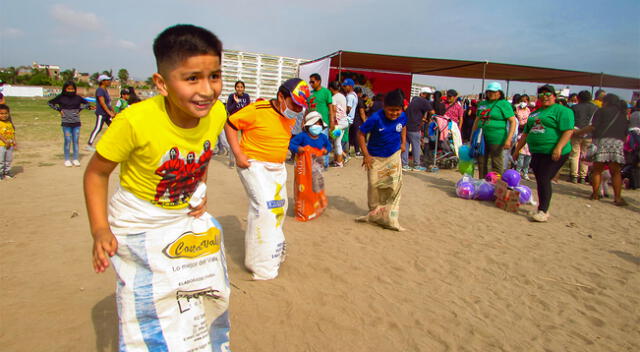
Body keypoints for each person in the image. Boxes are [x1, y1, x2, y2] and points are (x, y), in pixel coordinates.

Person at [83, 24, 231, 350]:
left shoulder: (217, 112)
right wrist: (99, 229)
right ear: (161, 83)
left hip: (184, 215)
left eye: (215, 76)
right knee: (149, 310)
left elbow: (202, 155)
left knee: (205, 295)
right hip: (140, 219)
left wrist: (199, 191)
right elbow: (96, 173)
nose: (207, 90)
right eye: (192, 78)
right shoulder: (134, 122)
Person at [224, 77, 310, 280]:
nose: (297, 111)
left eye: (301, 108)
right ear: (281, 97)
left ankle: (273, 249)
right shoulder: (257, 110)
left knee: (278, 208)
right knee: (263, 207)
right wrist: (238, 154)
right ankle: (259, 264)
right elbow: (230, 125)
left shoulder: (290, 115)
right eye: (294, 105)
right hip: (253, 165)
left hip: (277, 168)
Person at [513, 84, 574, 222]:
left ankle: (543, 211)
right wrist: (517, 150)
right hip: (537, 151)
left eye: (548, 95)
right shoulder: (535, 113)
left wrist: (558, 148)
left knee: (545, 178)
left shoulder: (562, 111)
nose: (545, 97)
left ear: (554, 96)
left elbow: (568, 131)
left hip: (555, 151)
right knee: (540, 179)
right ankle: (541, 208)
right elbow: (526, 133)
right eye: (541, 95)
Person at [356, 89, 407, 231]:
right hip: (375, 157)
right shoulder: (375, 118)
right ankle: (375, 213)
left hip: (394, 155)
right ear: (384, 107)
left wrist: (403, 143)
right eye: (391, 110)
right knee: (374, 185)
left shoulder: (402, 116)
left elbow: (403, 127)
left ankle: (391, 218)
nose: (394, 113)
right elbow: (360, 134)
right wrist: (366, 155)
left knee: (394, 186)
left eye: (397, 110)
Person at [576, 94, 629, 205]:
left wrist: (578, 132)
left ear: (606, 102)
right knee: (616, 173)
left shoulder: (601, 111)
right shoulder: (623, 113)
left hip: (602, 142)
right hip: (617, 143)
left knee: (597, 171)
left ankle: (595, 194)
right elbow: (625, 133)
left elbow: (593, 127)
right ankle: (618, 198)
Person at [472, 82, 517, 178]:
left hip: (497, 138)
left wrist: (509, 139)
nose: (490, 93)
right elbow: (477, 120)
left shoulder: (503, 104)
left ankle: (496, 185)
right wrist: (473, 136)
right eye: (489, 91)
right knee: (481, 161)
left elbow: (513, 122)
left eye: (493, 91)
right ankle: (483, 184)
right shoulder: (482, 104)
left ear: (499, 93)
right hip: (482, 137)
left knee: (496, 162)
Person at [48, 81, 94, 167]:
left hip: (76, 123)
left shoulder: (77, 98)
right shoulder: (61, 97)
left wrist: (80, 109)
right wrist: (59, 110)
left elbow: (87, 104)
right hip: (66, 123)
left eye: (72, 89)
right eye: (68, 89)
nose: (70, 90)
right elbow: (50, 103)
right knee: (67, 141)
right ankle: (67, 159)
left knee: (75, 141)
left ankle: (76, 159)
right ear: (65, 89)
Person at [569, 90, 598, 183]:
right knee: (585, 155)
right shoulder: (595, 108)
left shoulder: (574, 107)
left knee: (574, 154)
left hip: (576, 133)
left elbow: (571, 120)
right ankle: (582, 176)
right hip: (590, 134)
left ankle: (574, 175)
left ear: (579, 98)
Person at [402, 88, 433, 171]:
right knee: (416, 146)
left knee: (406, 144)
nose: (428, 96)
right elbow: (432, 112)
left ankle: (404, 164)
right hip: (414, 127)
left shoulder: (414, 100)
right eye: (428, 94)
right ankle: (416, 165)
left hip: (406, 125)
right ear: (423, 94)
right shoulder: (424, 101)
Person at [223, 80, 251, 167]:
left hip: (244, 121)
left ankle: (244, 158)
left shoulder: (246, 96)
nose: (239, 88)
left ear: (244, 88)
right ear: (235, 88)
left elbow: (248, 108)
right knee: (233, 141)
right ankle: (232, 161)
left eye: (241, 87)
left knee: (245, 140)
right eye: (238, 87)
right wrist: (236, 102)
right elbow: (229, 109)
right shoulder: (232, 96)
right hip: (234, 122)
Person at [86, 74, 115, 150]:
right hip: (101, 113)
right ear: (102, 82)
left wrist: (113, 111)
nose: (109, 82)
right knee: (98, 128)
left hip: (107, 113)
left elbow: (108, 103)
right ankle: (89, 144)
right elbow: (102, 103)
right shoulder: (100, 90)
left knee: (113, 127)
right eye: (108, 80)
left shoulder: (105, 90)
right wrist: (109, 112)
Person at [328, 81, 348, 167]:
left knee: (336, 142)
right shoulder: (342, 96)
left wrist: (332, 123)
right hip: (344, 122)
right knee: (337, 142)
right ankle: (339, 160)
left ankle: (340, 161)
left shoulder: (334, 98)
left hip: (338, 124)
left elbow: (334, 110)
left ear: (331, 88)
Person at [0, 104, 16, 179]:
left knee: (8, 159)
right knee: (1, 160)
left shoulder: (9, 123)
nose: (4, 115)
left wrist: (14, 141)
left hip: (10, 145)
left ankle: (7, 172)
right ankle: (0, 173)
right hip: (1, 145)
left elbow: (13, 133)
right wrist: (5, 141)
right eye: (1, 113)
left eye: (6, 113)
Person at [343, 78, 358, 158]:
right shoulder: (354, 95)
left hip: (347, 118)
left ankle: (345, 154)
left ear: (350, 86)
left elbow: (348, 108)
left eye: (345, 86)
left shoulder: (350, 96)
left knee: (344, 137)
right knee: (346, 136)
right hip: (350, 118)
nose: (344, 88)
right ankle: (346, 153)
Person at [351, 87, 367, 157]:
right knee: (358, 135)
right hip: (357, 120)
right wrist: (364, 121)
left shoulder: (351, 98)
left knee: (351, 135)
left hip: (351, 119)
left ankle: (348, 151)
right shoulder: (359, 100)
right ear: (360, 93)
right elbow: (362, 112)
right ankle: (357, 151)